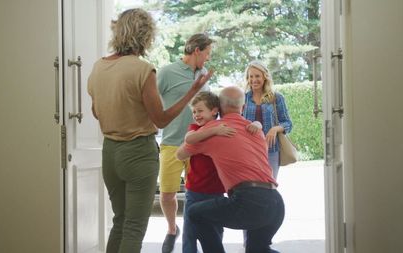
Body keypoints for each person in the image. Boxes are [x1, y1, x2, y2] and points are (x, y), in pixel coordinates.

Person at [87, 9, 213, 253]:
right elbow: (161, 119)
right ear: (145, 35)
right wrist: (193, 90)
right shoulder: (143, 70)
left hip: (110, 152)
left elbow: (96, 112)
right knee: (134, 227)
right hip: (138, 153)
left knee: (120, 221)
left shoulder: (97, 68)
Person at [176, 86, 285, 253]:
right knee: (258, 250)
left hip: (247, 201)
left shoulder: (216, 131)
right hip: (275, 203)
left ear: (218, 108)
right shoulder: (255, 130)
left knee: (194, 213)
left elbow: (180, 153)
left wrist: (206, 132)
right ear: (242, 108)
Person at [157, 33, 214, 253]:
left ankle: (192, 238)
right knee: (167, 194)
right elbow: (151, 99)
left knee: (196, 193)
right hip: (171, 142)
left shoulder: (203, 75)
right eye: (207, 53)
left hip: (198, 144)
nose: (207, 58)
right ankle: (172, 229)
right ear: (197, 51)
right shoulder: (167, 72)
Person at [242, 60, 293, 179]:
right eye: (251, 76)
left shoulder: (277, 98)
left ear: (265, 77)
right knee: (250, 187)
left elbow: (288, 123)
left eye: (257, 76)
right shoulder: (243, 98)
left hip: (271, 150)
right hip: (248, 150)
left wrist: (275, 129)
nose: (254, 80)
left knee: (270, 186)